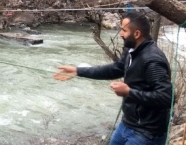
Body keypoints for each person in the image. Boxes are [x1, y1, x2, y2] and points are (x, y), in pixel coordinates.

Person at [55, 12, 172, 145]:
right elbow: (114, 69)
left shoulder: (152, 60)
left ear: (137, 34)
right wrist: (77, 71)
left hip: (147, 133)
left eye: (124, 30)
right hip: (127, 124)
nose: (121, 34)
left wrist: (129, 92)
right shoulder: (132, 51)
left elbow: (166, 97)